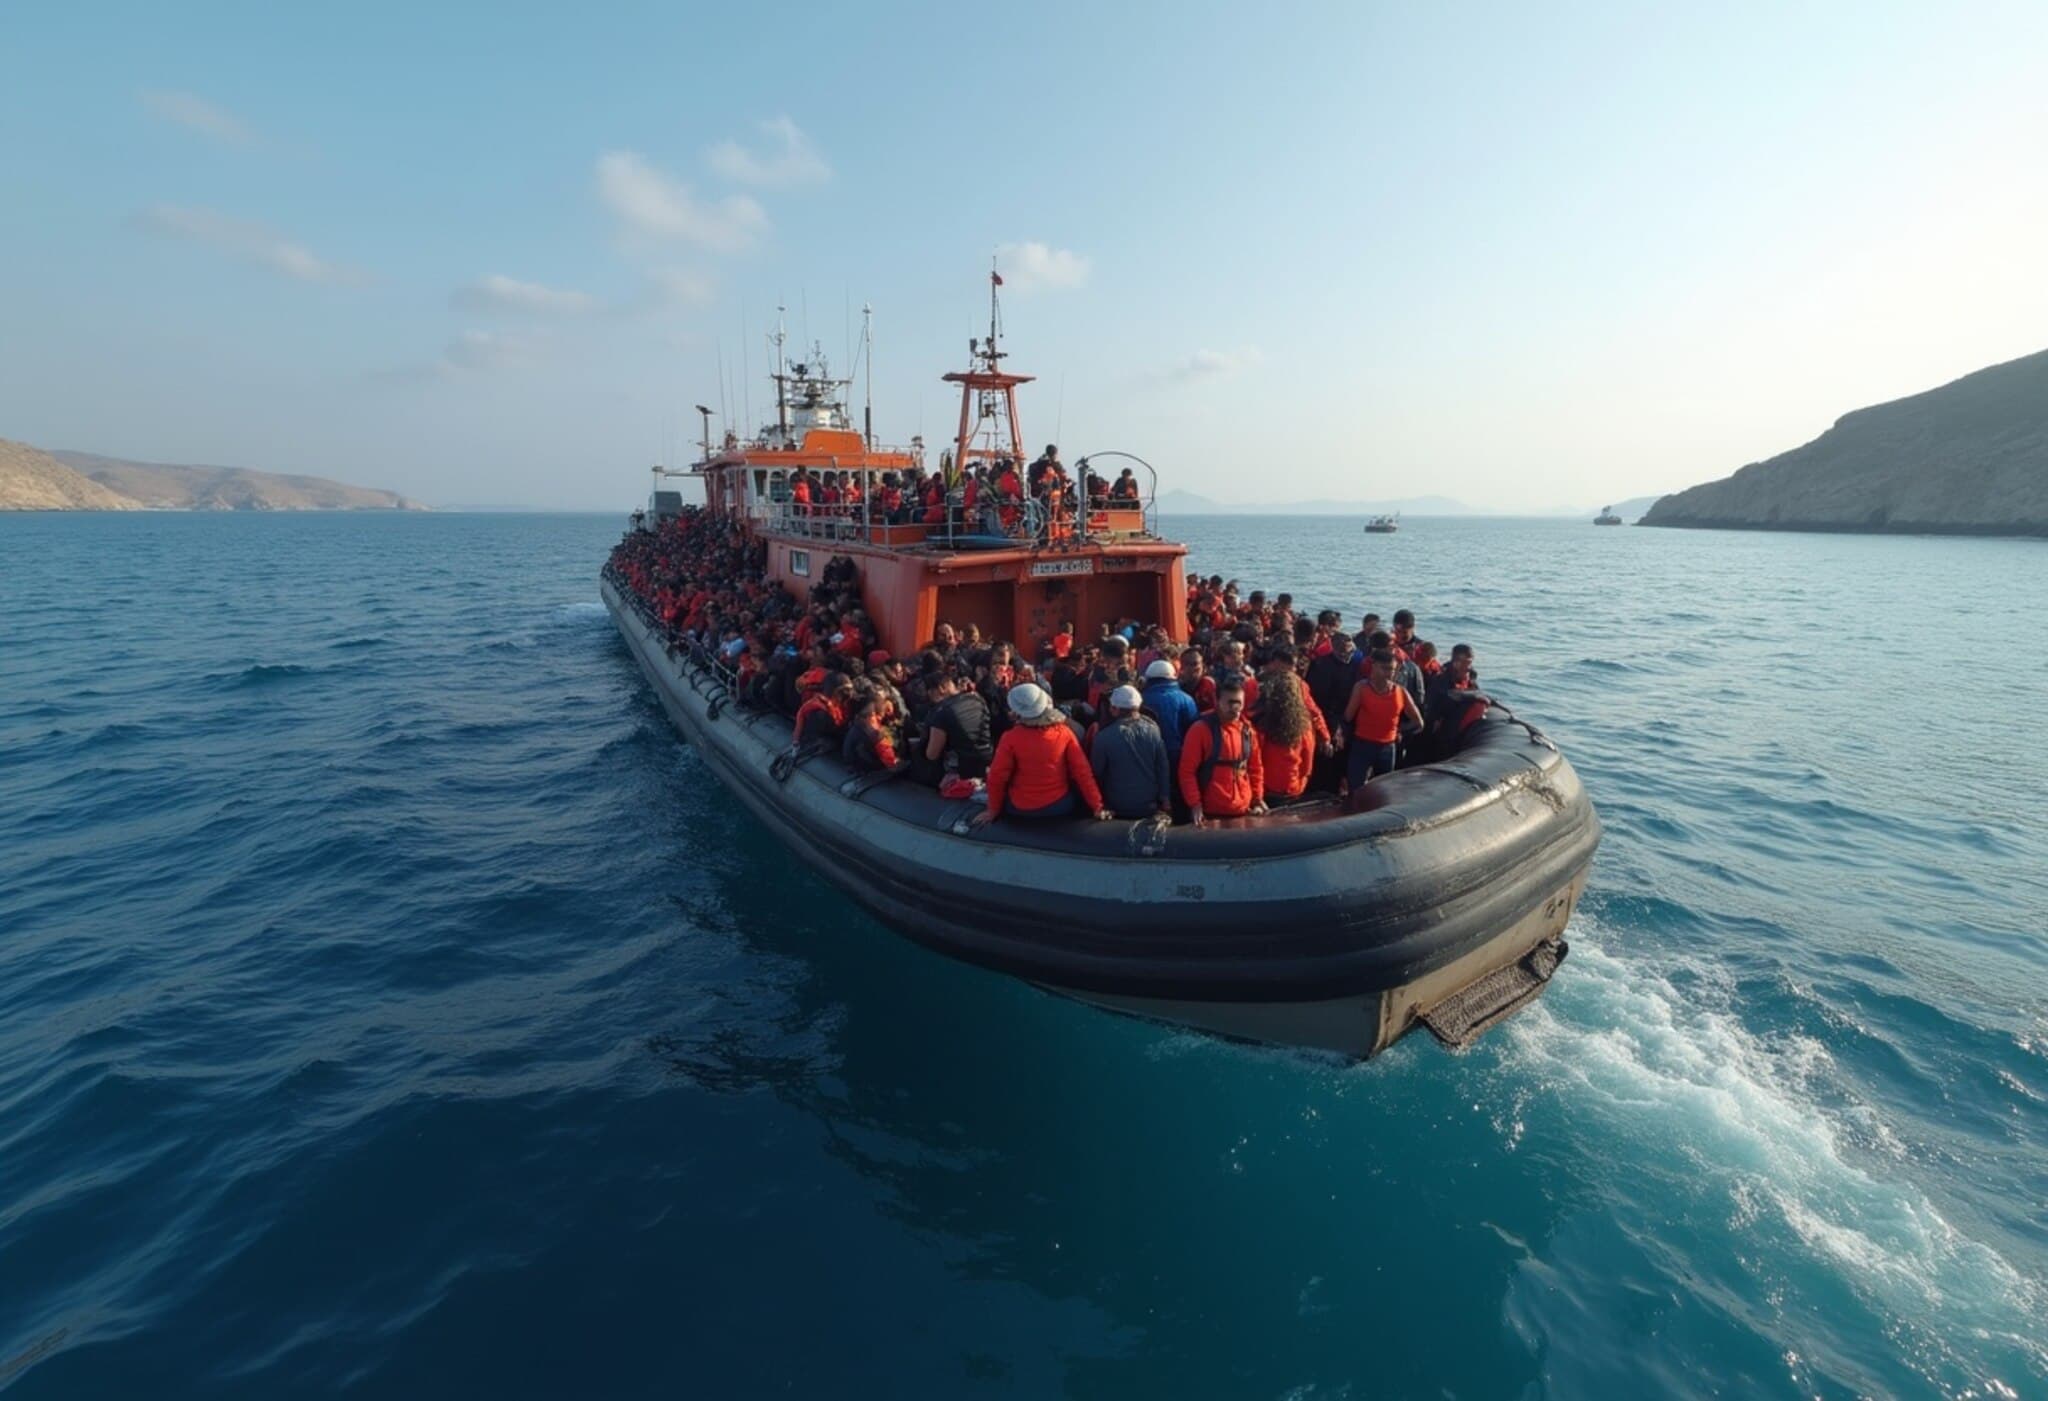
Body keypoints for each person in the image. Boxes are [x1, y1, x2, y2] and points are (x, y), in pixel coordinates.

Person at [975, 684, 1111, 824]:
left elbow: (997, 776)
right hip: (1059, 805)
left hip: (1020, 807)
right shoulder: (1064, 733)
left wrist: (992, 810)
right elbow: (1082, 772)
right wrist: (1097, 806)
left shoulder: (1010, 738)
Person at [1178, 680, 1267, 824]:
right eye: (1230, 703)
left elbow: (1255, 768)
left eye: (1239, 703)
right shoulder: (1200, 730)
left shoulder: (1247, 731)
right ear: (1217, 701)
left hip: (1243, 810)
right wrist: (1195, 804)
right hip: (1210, 814)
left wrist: (1257, 799)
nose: (1235, 708)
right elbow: (1187, 771)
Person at [1089, 685, 1173, 819]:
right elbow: (1162, 767)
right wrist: (1165, 798)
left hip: (1117, 807)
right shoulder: (1154, 730)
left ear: (1115, 709)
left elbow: (1096, 774)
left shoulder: (1103, 738)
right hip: (1149, 805)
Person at [1343, 650, 1421, 789]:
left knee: (1383, 790)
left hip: (1387, 747)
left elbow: (1418, 722)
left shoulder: (1400, 692)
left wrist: (1400, 731)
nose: (1389, 673)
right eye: (1384, 668)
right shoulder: (1362, 688)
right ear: (1374, 667)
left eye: (1392, 669)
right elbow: (1348, 717)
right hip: (1362, 744)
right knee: (1356, 789)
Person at [1252, 669, 1327, 802]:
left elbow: (1256, 759)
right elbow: (1307, 764)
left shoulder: (1261, 722)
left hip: (1266, 787)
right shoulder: (1304, 725)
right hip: (1293, 787)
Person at [918, 669, 995, 784]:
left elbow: (932, 754)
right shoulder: (977, 698)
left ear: (941, 689)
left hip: (962, 769)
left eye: (930, 692)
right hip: (988, 759)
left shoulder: (941, 712)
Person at [1139, 657, 1199, 766]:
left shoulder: (1140, 699)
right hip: (1177, 756)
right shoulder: (1186, 700)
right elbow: (1193, 731)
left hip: (1146, 757)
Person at [792, 672, 852, 747]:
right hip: (818, 744)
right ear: (834, 693)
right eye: (844, 692)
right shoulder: (820, 713)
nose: (848, 695)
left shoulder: (841, 704)